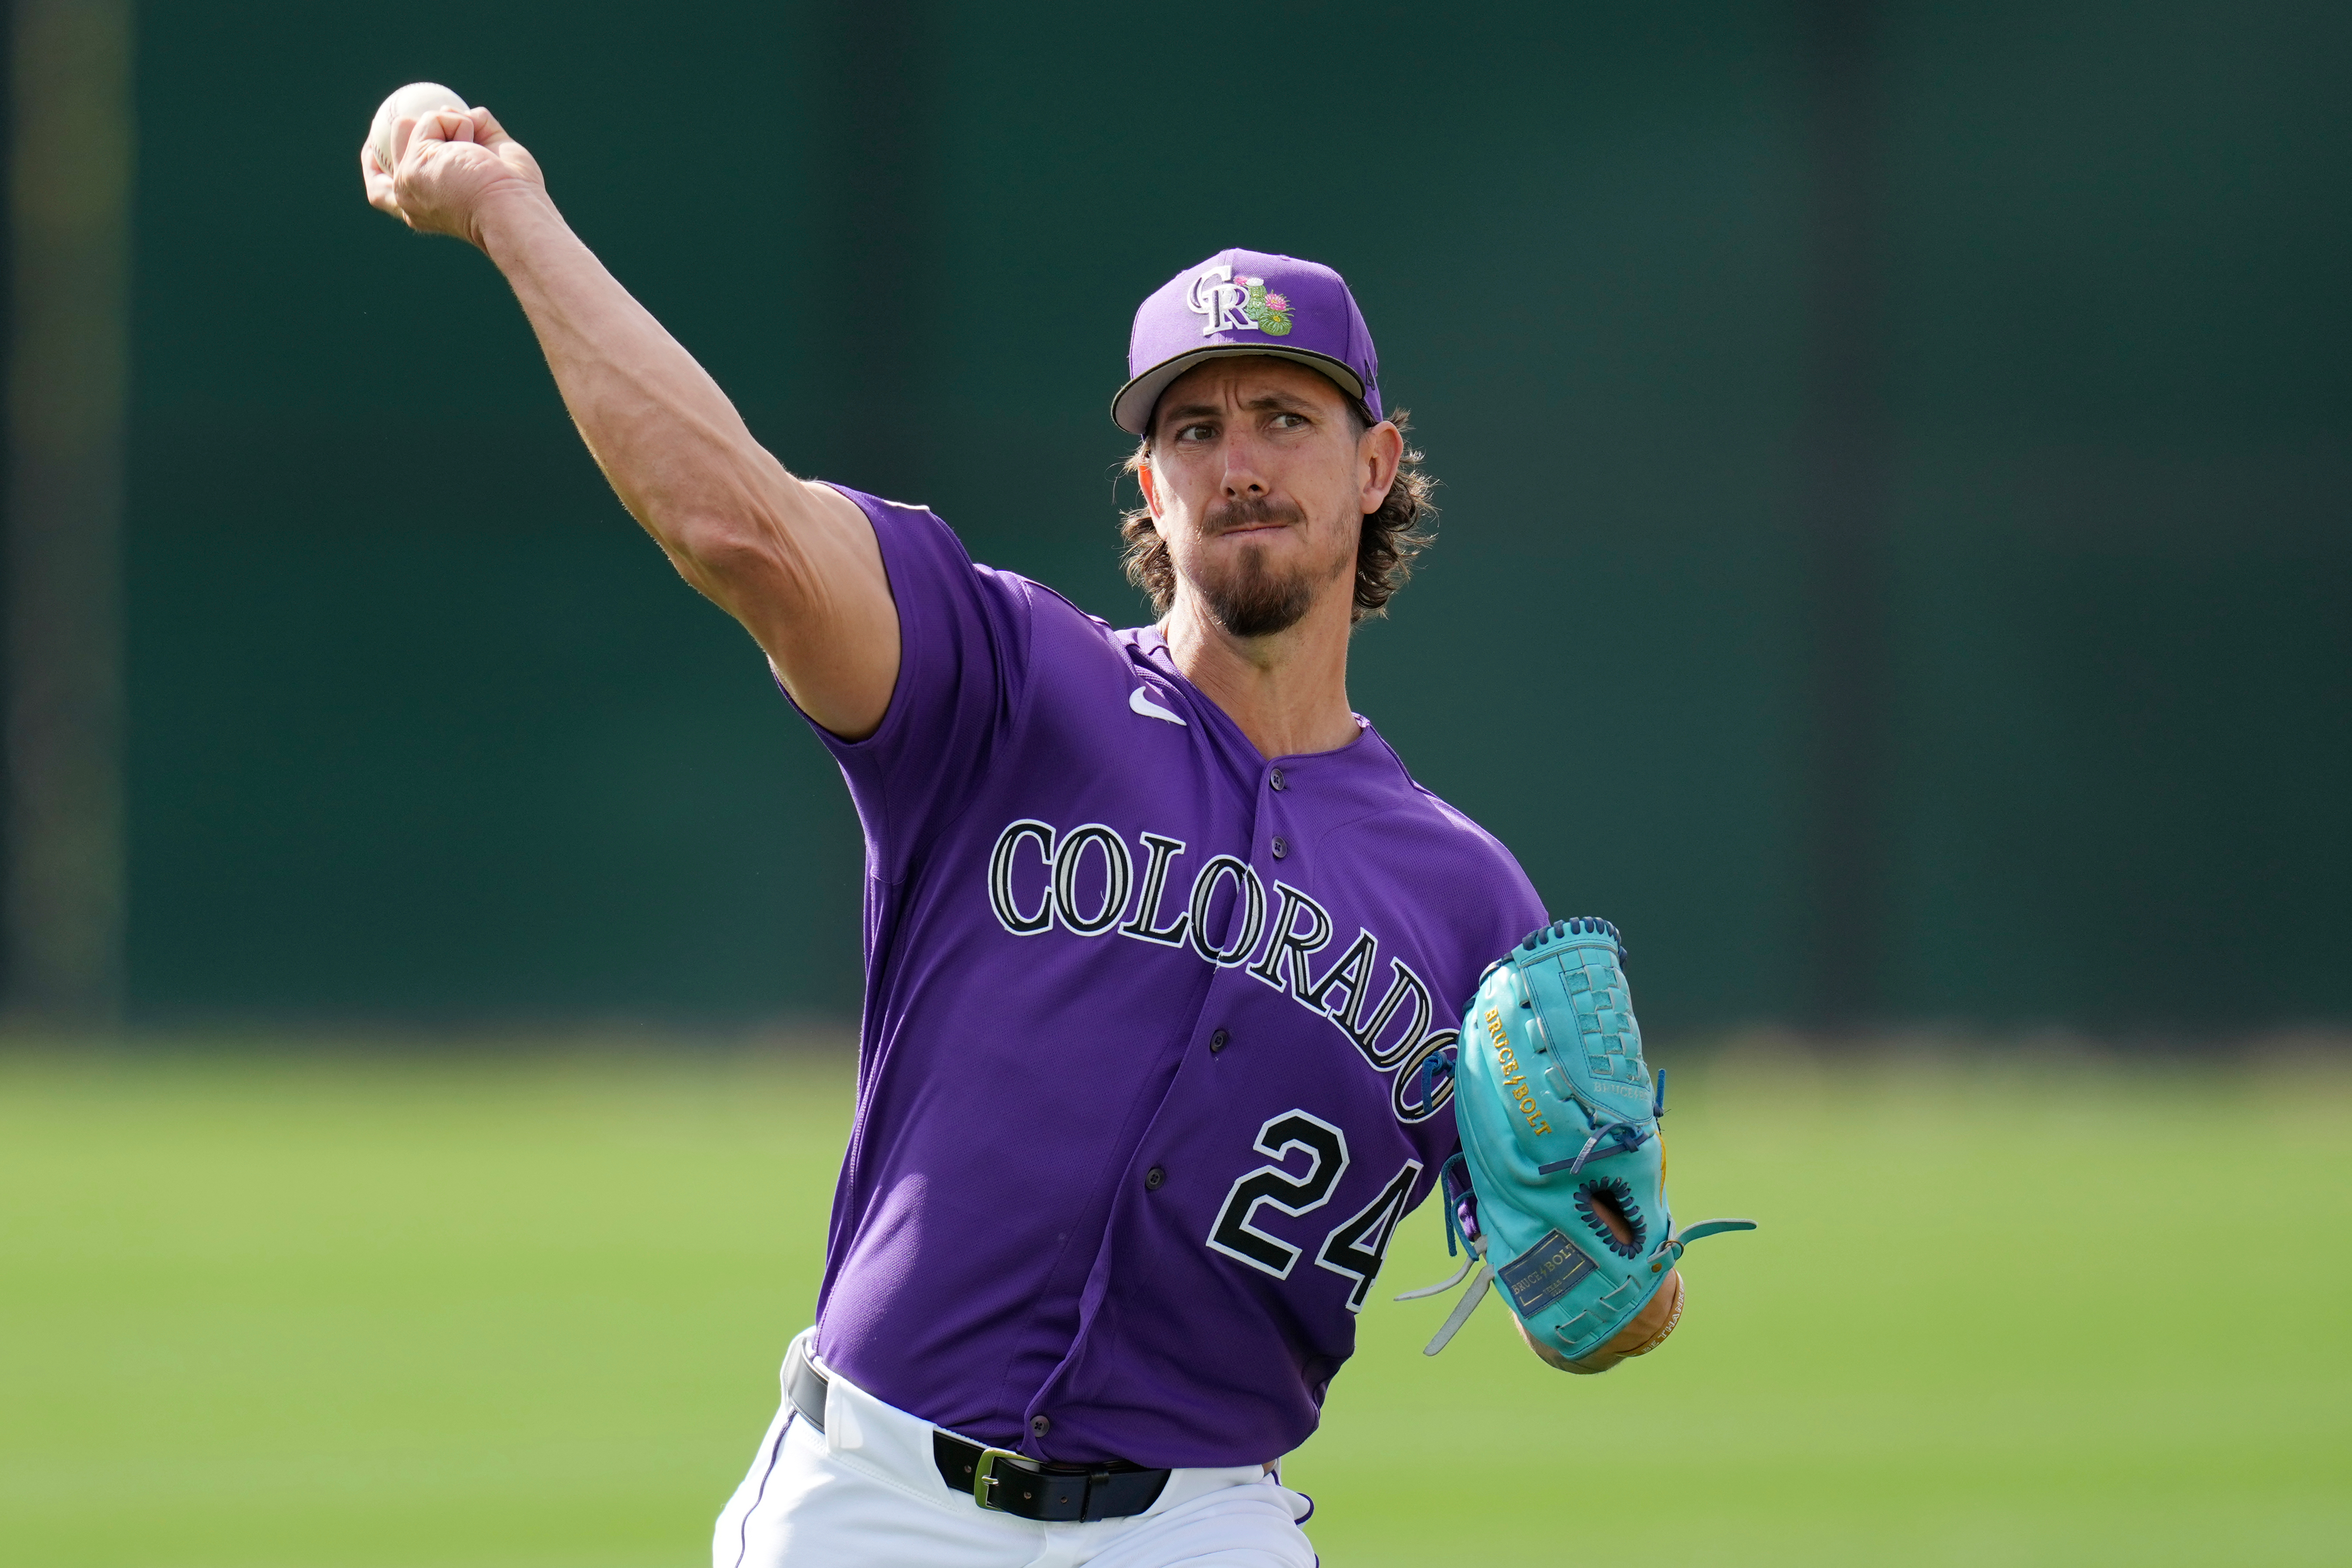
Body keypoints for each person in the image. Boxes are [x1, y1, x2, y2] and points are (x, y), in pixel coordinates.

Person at [363, 100, 1682, 1568]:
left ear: (1373, 468)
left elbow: (1594, 1313)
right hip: (873, 1501)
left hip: (1203, 1529)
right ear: (1150, 489)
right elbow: (738, 527)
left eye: (1284, 419)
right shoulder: (1001, 678)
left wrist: (1616, 1255)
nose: (1239, 463)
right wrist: (511, 214)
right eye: (1195, 428)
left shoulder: (1468, 903)